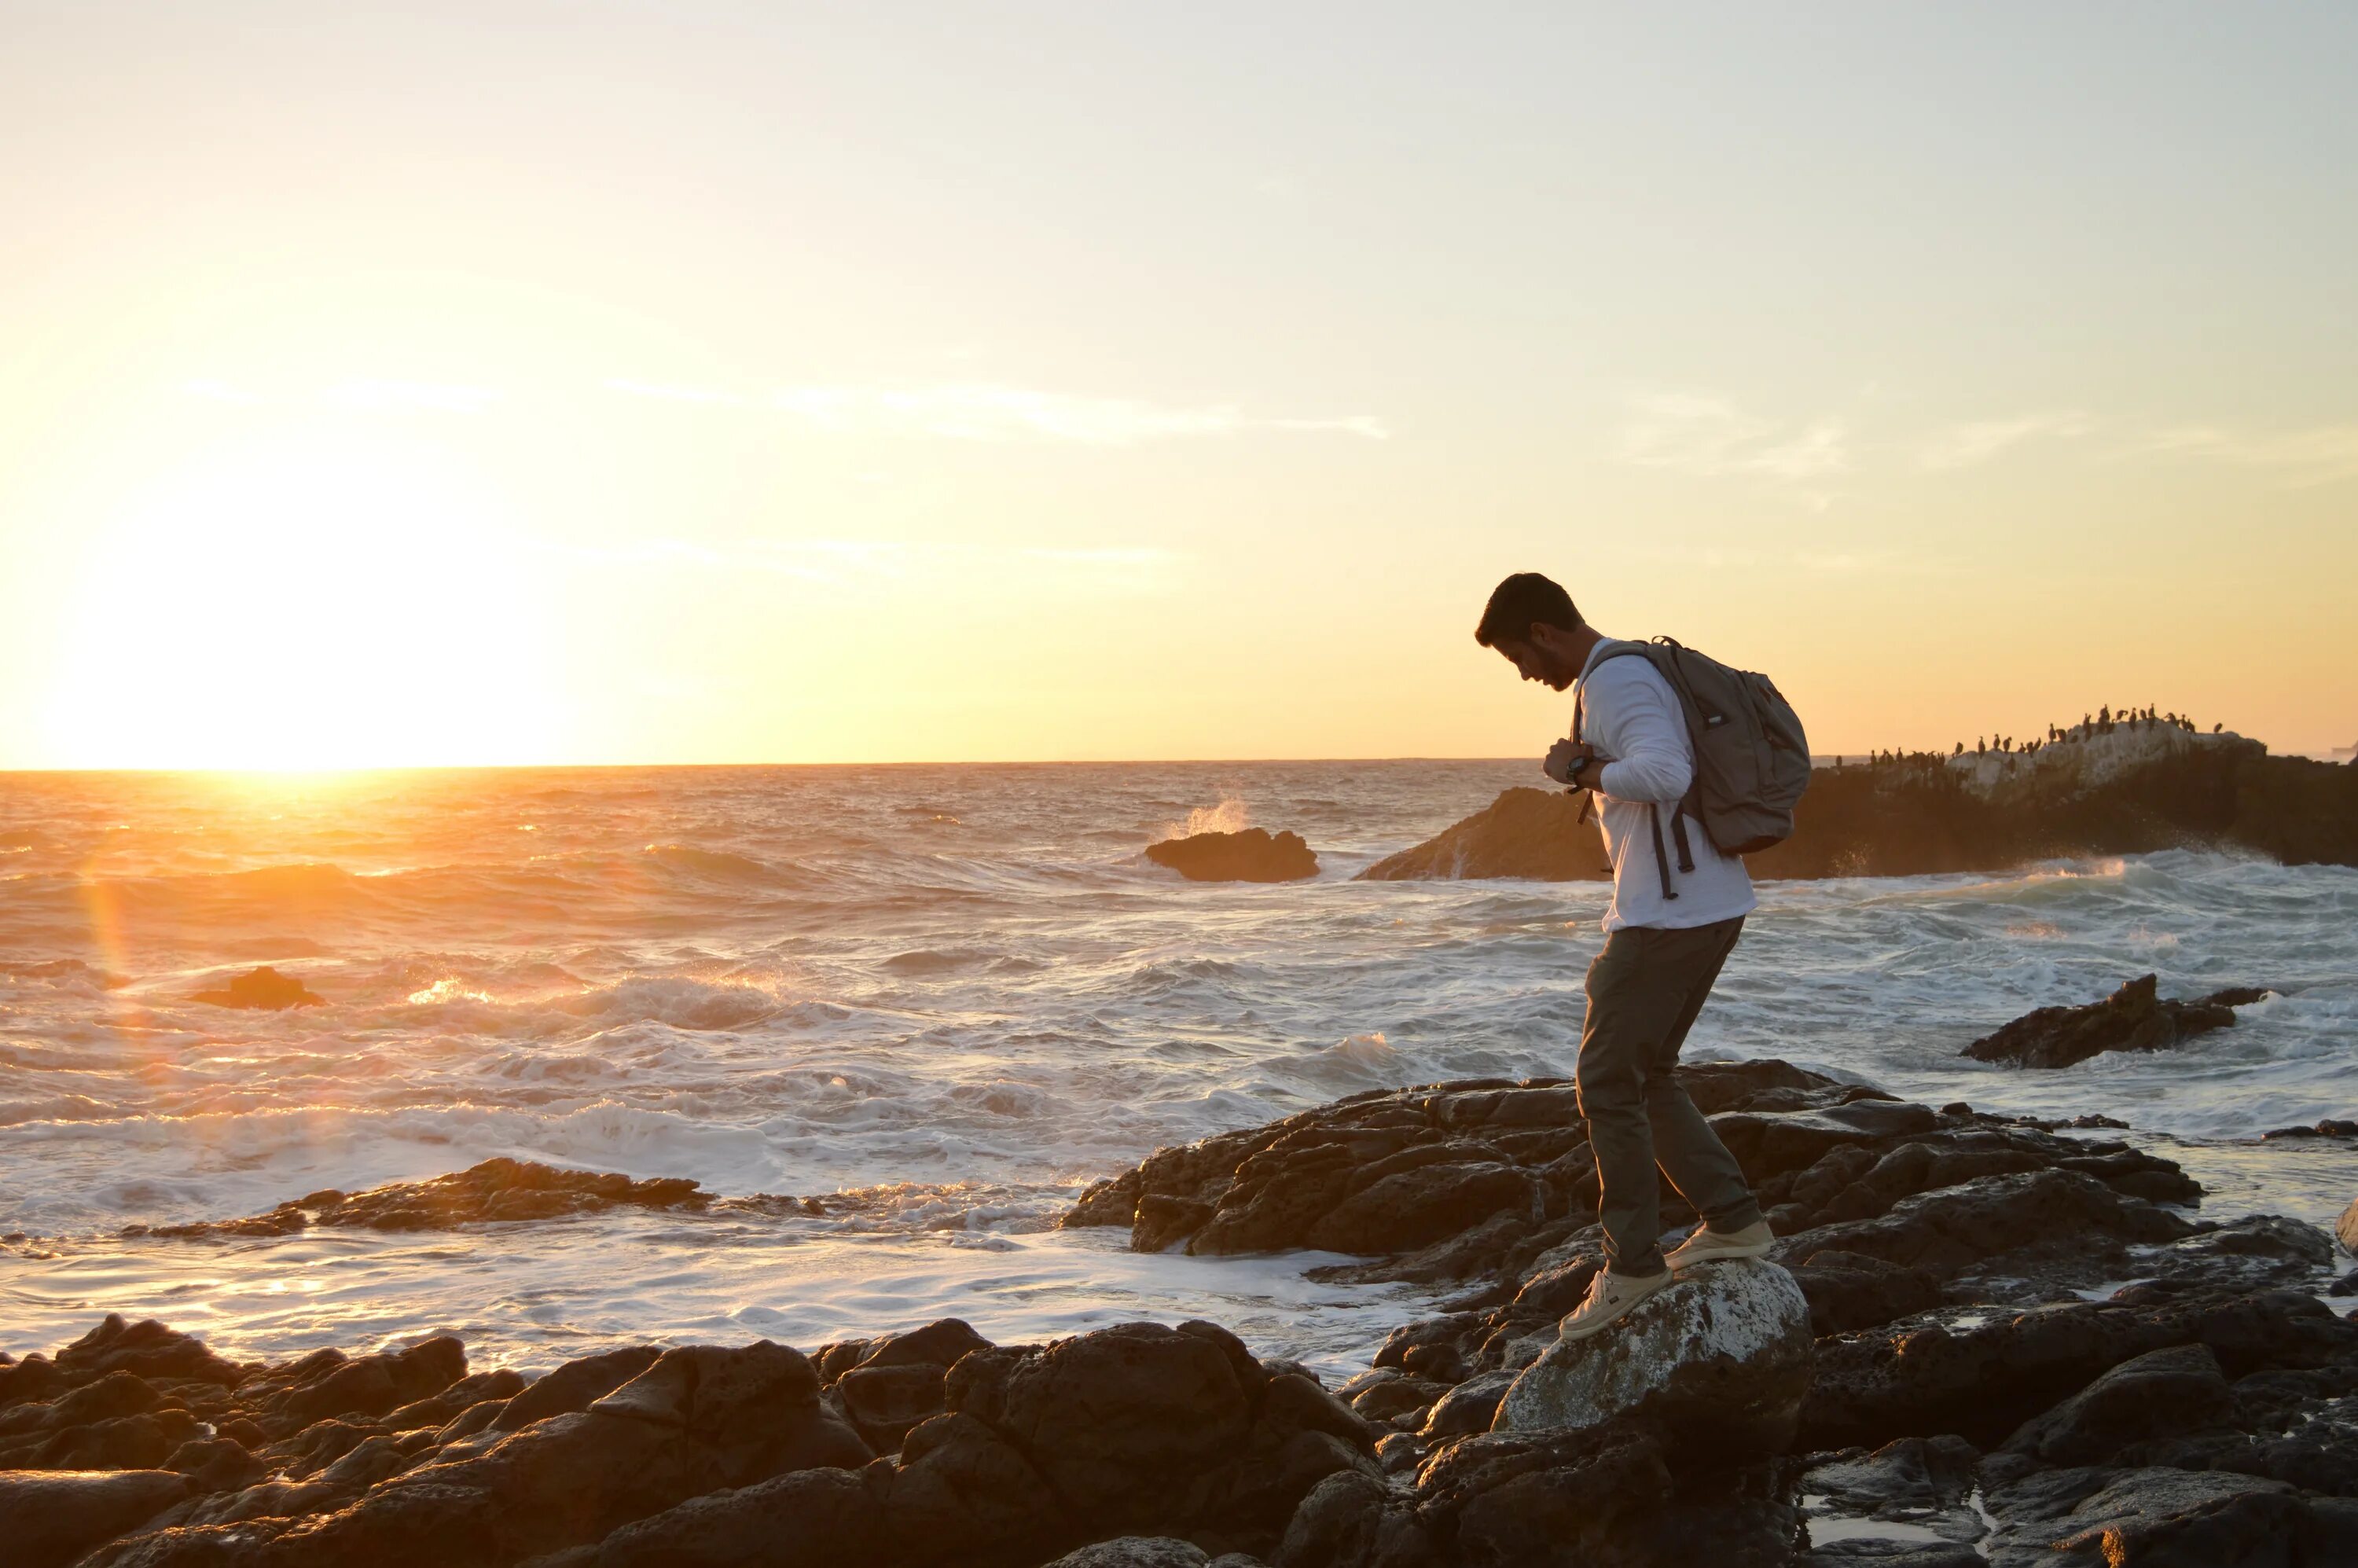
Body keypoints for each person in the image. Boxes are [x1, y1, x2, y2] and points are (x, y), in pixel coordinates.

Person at [1472, 572, 1771, 1341]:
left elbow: (1666, 773)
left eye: (1518, 656)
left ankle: (1632, 1265)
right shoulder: (1633, 671)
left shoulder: (1615, 681)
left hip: (1665, 919)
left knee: (1606, 1081)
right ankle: (1734, 1220)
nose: (1526, 675)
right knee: (1649, 1073)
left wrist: (1577, 768)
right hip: (1710, 904)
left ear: (1543, 631)